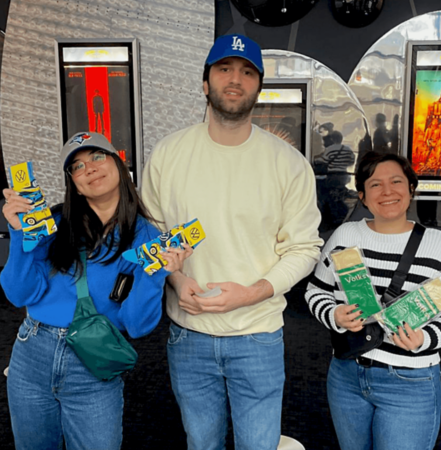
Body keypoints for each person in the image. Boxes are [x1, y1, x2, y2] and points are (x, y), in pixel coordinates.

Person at [140, 34, 322, 449]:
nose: (235, 79)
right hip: (189, 333)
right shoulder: (169, 154)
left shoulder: (287, 164)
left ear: (258, 86)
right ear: (205, 83)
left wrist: (250, 294)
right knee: (201, 443)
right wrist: (177, 279)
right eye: (224, 69)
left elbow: (304, 248)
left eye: (246, 71)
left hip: (257, 333)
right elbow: (151, 236)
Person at [0, 132, 190, 449]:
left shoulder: (147, 237)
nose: (89, 168)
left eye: (97, 157)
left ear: (118, 162)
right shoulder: (52, 223)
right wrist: (19, 236)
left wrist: (157, 274)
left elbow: (137, 324)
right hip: (32, 353)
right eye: (77, 166)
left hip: (92, 363)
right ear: (73, 183)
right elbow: (20, 294)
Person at [305, 152, 441, 450]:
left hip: (410, 382)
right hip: (347, 373)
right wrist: (334, 315)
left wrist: (425, 338)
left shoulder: (439, 245)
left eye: (397, 181)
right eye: (375, 185)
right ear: (361, 195)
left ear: (412, 188)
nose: (387, 191)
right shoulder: (346, 236)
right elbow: (315, 292)